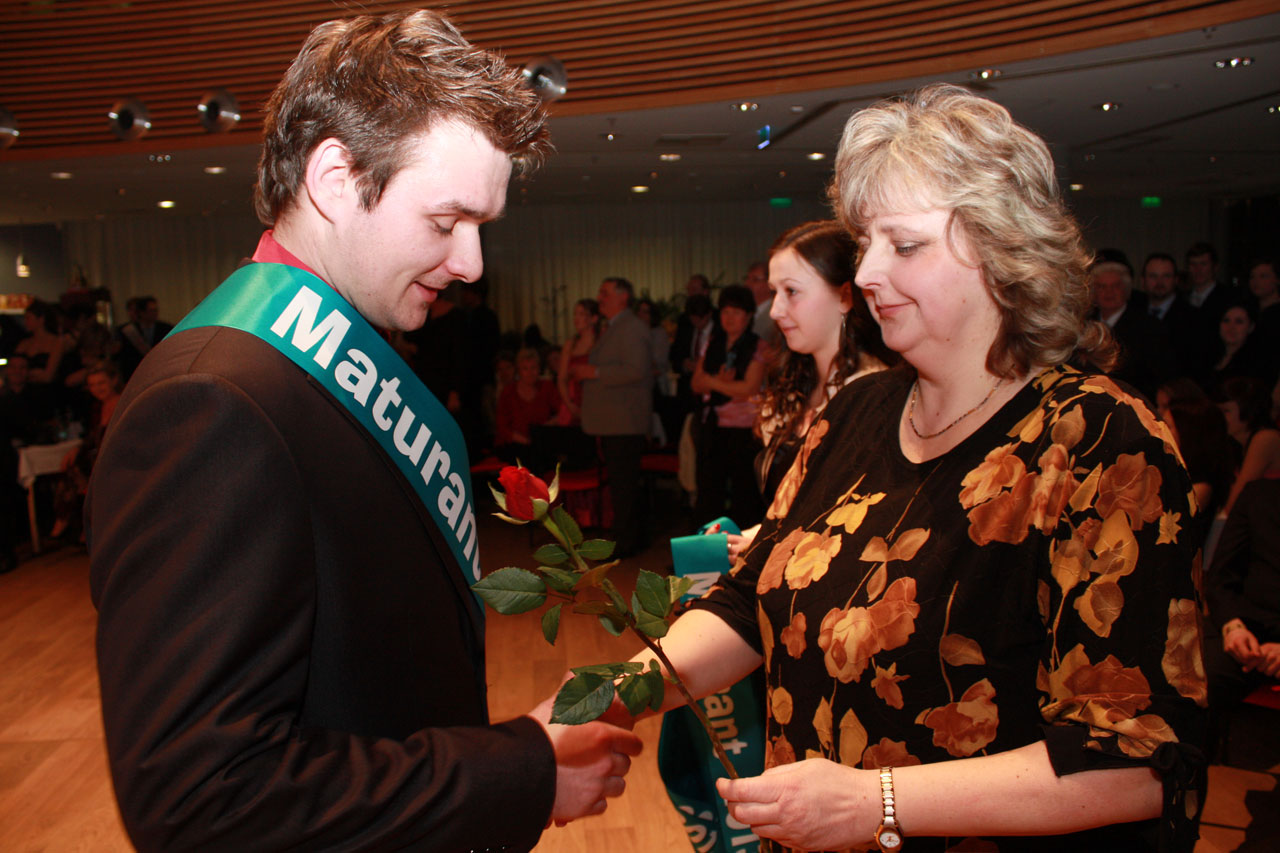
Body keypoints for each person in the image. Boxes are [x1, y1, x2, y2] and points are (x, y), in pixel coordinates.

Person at [86, 11, 640, 852]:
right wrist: (523, 769)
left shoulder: (330, 366)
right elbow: (202, 798)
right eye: (446, 221)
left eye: (481, 228)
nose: (471, 263)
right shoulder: (211, 404)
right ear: (336, 179)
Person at [610, 84, 1207, 852]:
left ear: (1002, 252)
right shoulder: (857, 411)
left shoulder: (1098, 441)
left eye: (905, 245)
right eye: (866, 243)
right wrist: (610, 696)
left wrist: (875, 802)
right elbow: (745, 600)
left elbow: (1136, 756)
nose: (865, 273)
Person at [714, 220, 897, 558]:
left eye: (792, 292)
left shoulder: (873, 395)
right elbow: (792, 512)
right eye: (774, 292)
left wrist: (766, 542)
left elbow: (858, 525)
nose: (776, 310)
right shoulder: (794, 386)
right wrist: (752, 536)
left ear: (844, 296)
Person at [572, 276, 653, 557]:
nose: (600, 298)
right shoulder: (615, 326)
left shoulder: (632, 327)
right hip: (615, 422)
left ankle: (625, 542)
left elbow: (636, 370)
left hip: (624, 422)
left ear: (623, 297)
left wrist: (593, 372)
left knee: (623, 486)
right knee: (623, 484)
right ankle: (631, 537)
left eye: (605, 293)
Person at [691, 284, 767, 526]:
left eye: (736, 312)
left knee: (744, 494)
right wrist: (724, 383)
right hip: (712, 425)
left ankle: (743, 546)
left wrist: (712, 382)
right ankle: (707, 546)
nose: (729, 318)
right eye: (725, 312)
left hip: (745, 430)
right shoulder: (713, 343)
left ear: (748, 315)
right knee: (708, 492)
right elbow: (695, 384)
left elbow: (749, 389)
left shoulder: (757, 346)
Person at [1216, 376, 1280, 517]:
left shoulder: (1266, 438)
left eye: (1226, 411)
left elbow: (1238, 498)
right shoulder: (1237, 444)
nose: (1219, 417)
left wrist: (1218, 526)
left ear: (1248, 410)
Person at [495, 346, 559, 464]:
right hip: (514, 446)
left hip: (542, 443)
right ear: (519, 371)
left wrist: (547, 427)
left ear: (539, 369)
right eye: (525, 368)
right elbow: (502, 427)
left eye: (533, 368)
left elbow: (562, 413)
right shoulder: (508, 392)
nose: (530, 373)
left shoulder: (547, 387)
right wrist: (527, 441)